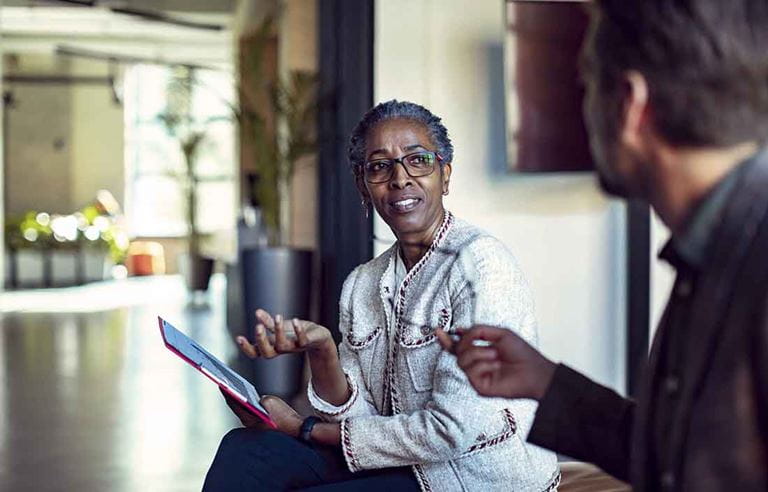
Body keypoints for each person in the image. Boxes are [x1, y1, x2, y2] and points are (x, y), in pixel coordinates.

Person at [437, 0, 768, 491]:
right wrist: (546, 381)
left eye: (587, 85)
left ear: (632, 104)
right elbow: (676, 459)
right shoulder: (712, 247)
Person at [203, 100, 560, 491]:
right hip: (396, 464)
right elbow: (360, 415)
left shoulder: (481, 267)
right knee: (245, 449)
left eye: (418, 160)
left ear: (445, 175)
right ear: (363, 185)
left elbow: (451, 431)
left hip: (474, 477)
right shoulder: (363, 284)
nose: (400, 178)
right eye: (379, 166)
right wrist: (323, 351)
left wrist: (303, 428)